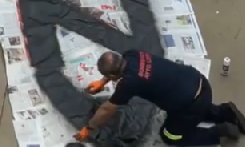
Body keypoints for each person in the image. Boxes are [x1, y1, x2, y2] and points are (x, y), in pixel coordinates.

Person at [73, 50, 245, 146]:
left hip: (190, 104)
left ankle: (220, 132)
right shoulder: (131, 55)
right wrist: (102, 82)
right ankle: (226, 112)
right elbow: (117, 71)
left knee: (170, 136)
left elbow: (106, 109)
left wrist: (89, 128)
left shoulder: (129, 83)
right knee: (192, 103)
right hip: (200, 83)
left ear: (113, 73)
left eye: (107, 76)